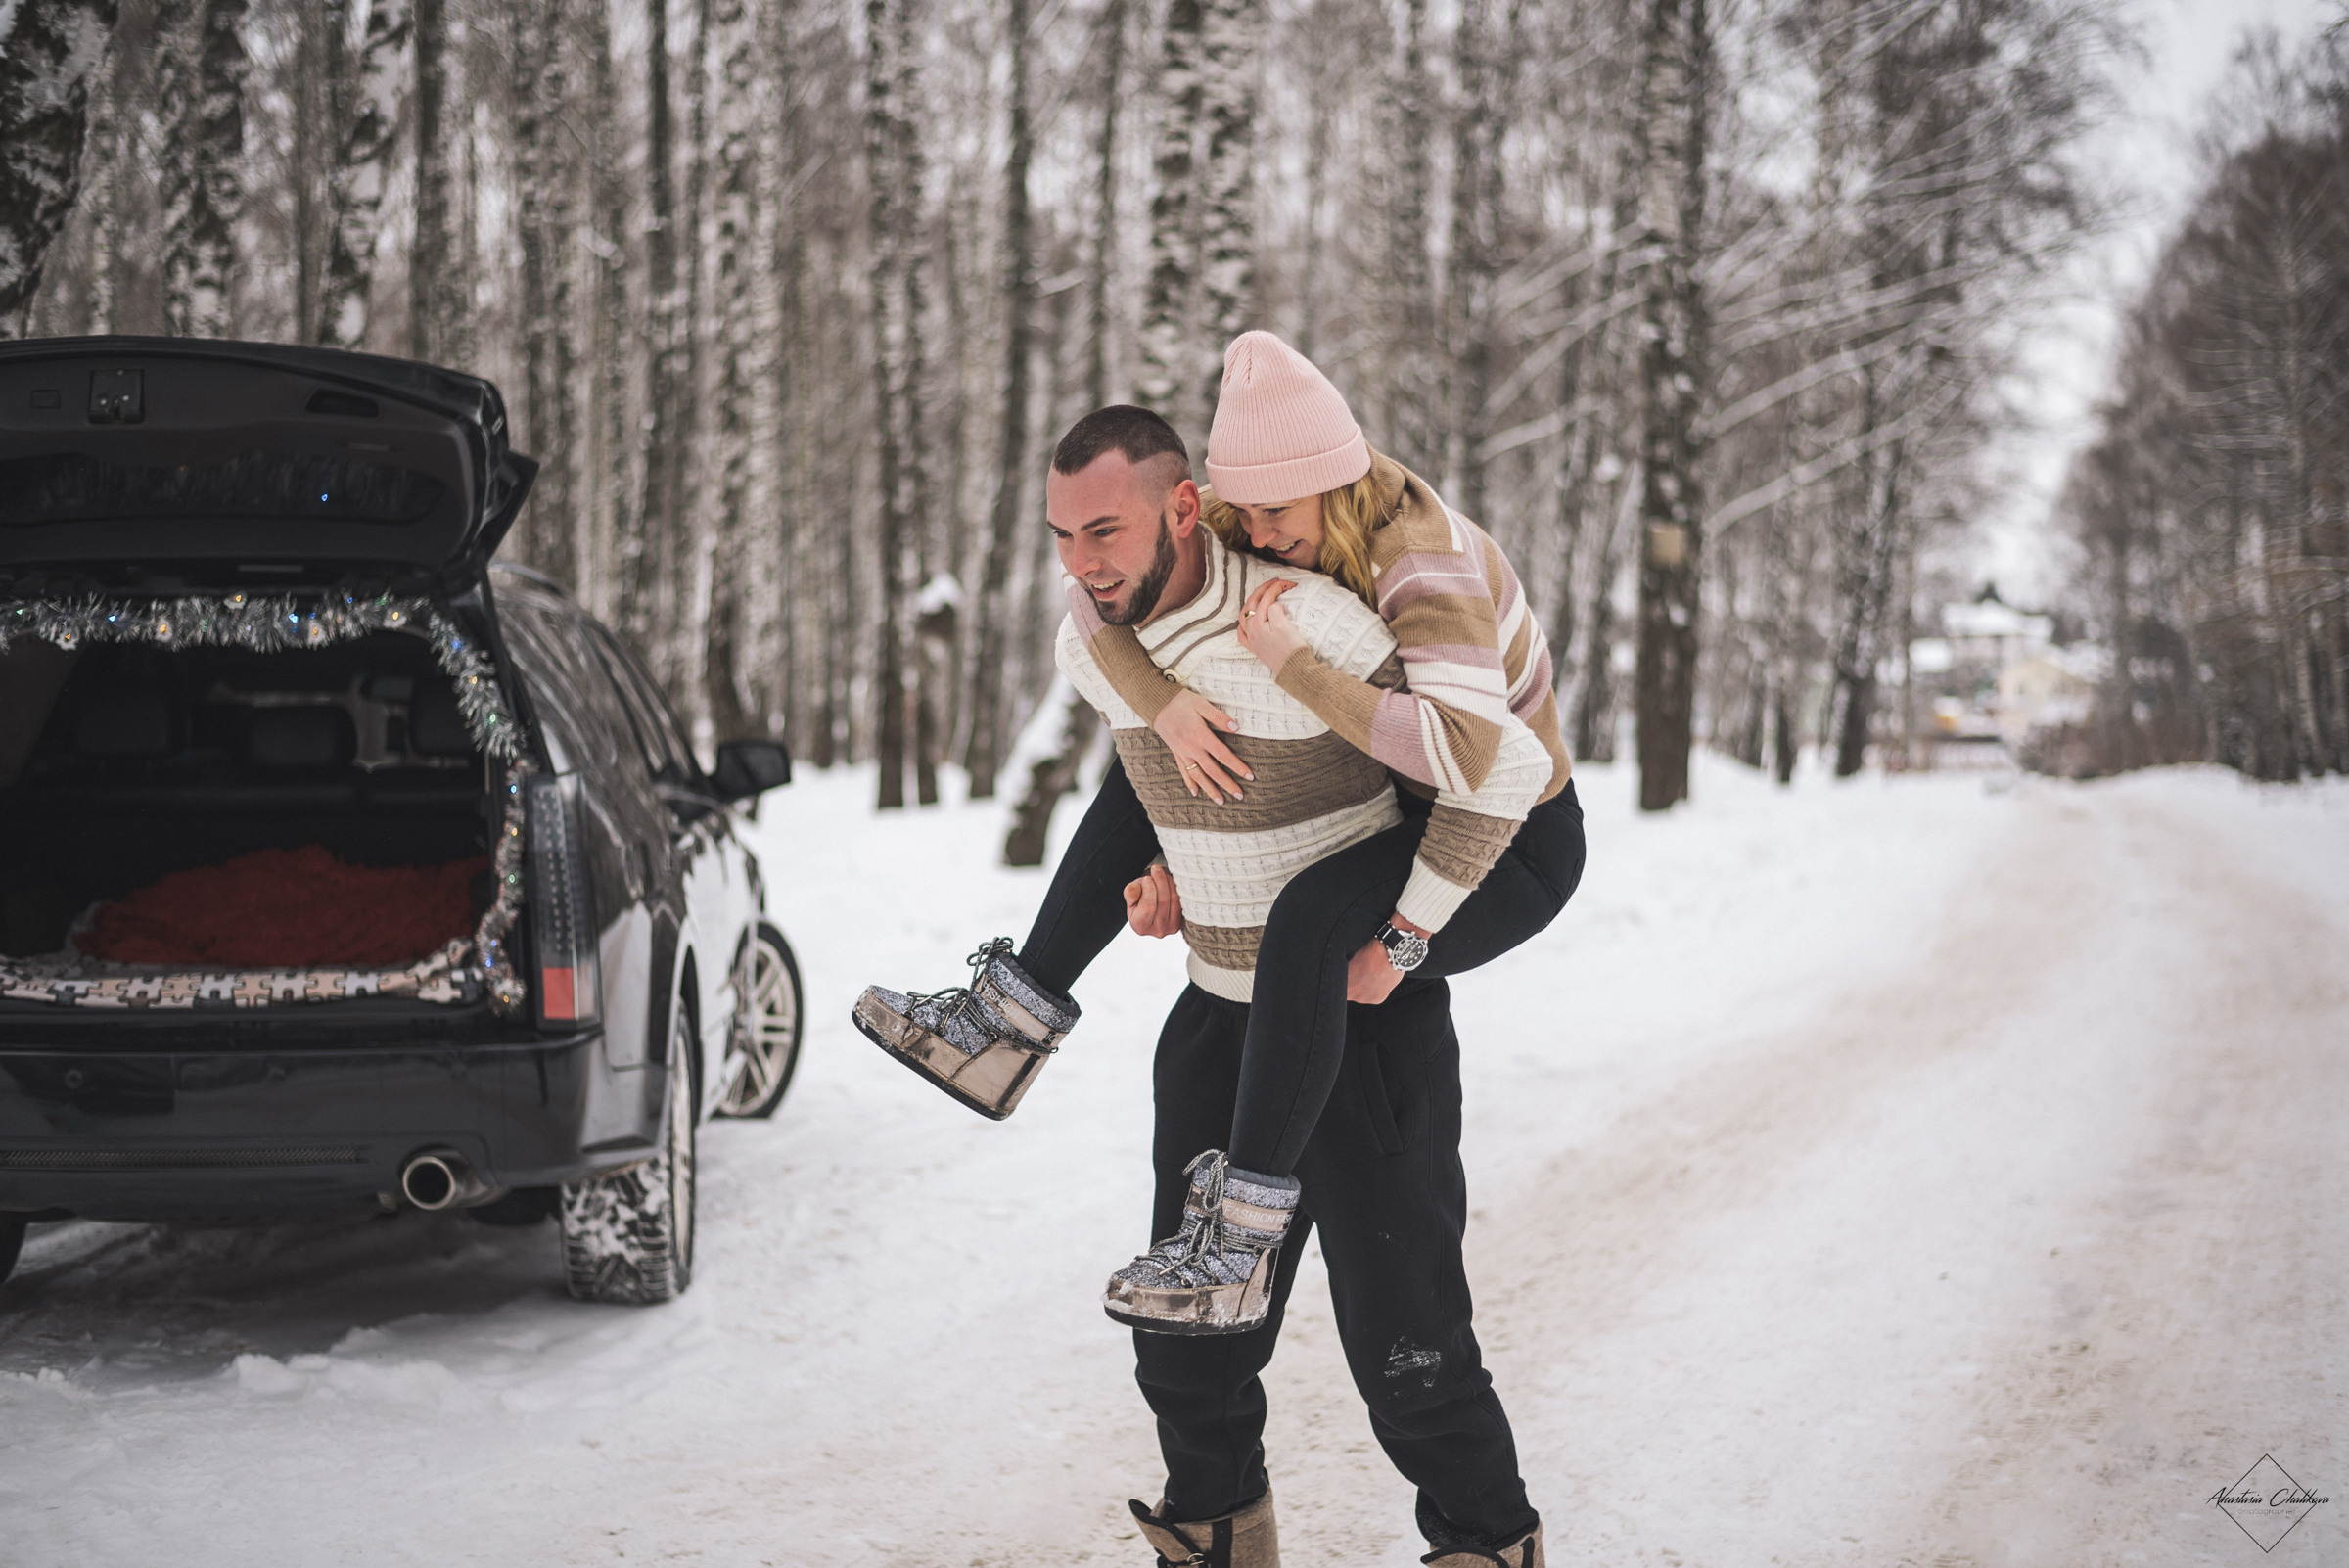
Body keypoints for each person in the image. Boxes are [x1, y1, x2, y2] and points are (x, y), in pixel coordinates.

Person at [863, 406, 1549, 1567]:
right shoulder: (1109, 633)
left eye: (1105, 530)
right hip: (1217, 1020)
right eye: (1061, 537)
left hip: (1363, 1030)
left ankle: (1485, 1545)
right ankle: (1219, 1539)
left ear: (1184, 508)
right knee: (1185, 1348)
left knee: (1408, 1351)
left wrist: (1408, 939)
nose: (1082, 564)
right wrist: (1163, 868)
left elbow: (1493, 769)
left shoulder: (1319, 617)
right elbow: (1168, 776)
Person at [854, 335, 1582, 1278]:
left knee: (1315, 918)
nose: (1261, 536)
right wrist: (1166, 728)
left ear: (1336, 486)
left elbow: (1471, 757)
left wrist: (1403, 938)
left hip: (1511, 830)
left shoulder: (1422, 564)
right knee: (1148, 762)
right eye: (1245, 514)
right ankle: (1008, 1024)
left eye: (1277, 514)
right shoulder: (1261, 519)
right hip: (1399, 803)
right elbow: (1105, 603)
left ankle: (1241, 1230)